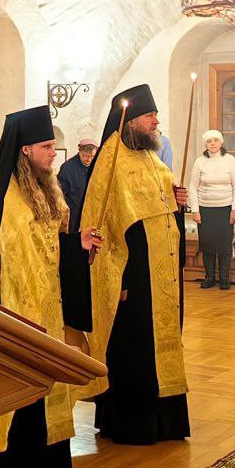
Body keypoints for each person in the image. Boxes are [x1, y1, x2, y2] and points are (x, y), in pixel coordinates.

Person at [0, 106, 100, 468]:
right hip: (21, 314)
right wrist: (23, 321)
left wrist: (75, 244)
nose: (53, 153)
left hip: (46, 310)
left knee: (48, 394)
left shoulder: (41, 188)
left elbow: (48, 247)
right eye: (47, 147)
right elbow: (5, 264)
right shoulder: (9, 201)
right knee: (24, 399)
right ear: (25, 149)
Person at [80, 84, 190, 445]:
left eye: (155, 115)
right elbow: (103, 224)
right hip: (132, 277)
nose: (156, 122)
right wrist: (119, 280)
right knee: (135, 347)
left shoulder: (150, 159)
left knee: (162, 344)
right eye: (149, 116)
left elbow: (163, 213)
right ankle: (132, 424)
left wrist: (178, 202)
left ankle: (167, 422)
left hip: (162, 274)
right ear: (130, 121)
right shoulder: (111, 161)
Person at [189, 129, 235, 290]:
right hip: (205, 210)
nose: (212, 144)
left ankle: (224, 279)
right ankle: (209, 277)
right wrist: (195, 210)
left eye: (215, 140)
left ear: (221, 142)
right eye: (209, 141)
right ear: (205, 144)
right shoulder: (199, 162)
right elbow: (192, 187)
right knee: (208, 245)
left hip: (225, 209)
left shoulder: (230, 160)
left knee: (224, 246)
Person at [57, 137, 98, 234]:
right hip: (73, 216)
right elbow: (59, 195)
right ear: (79, 151)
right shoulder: (67, 168)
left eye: (92, 156)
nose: (89, 159)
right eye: (85, 156)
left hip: (92, 214)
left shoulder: (98, 166)